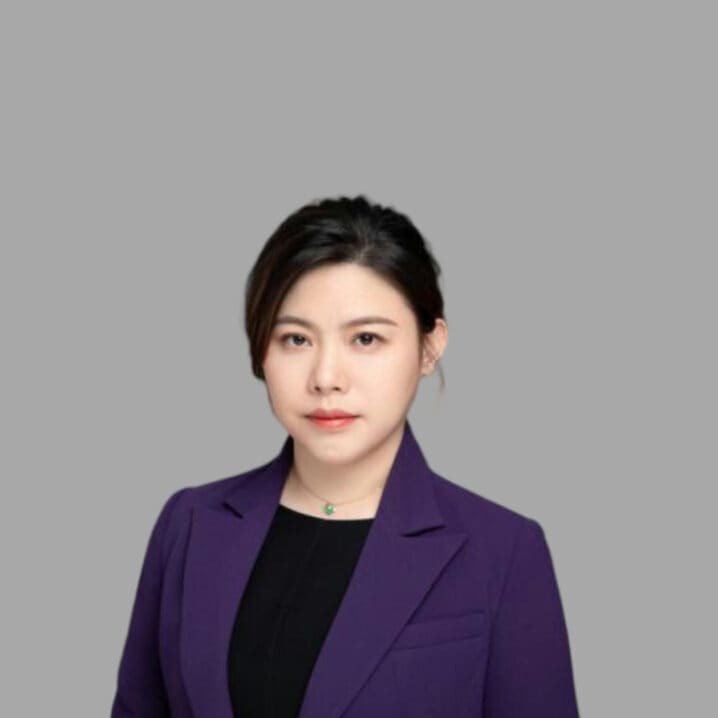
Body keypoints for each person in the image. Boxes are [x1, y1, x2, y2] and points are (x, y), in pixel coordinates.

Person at [110, 195, 580, 717]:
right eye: (296, 339)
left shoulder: (503, 551)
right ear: (261, 349)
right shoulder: (190, 523)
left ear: (429, 347)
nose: (326, 378)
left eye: (366, 338)